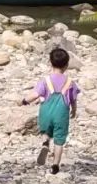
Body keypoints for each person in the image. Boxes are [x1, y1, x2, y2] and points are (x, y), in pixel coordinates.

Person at [21, 46, 79, 174]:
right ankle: (55, 165)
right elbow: (73, 99)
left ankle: (45, 142)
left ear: (50, 63)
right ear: (66, 65)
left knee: (45, 130)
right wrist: (74, 110)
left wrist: (25, 100)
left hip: (46, 112)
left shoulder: (45, 81)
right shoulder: (70, 82)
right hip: (61, 113)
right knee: (59, 140)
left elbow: (35, 94)